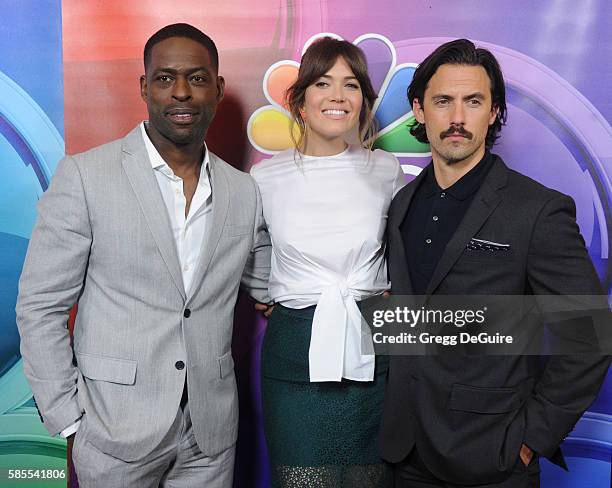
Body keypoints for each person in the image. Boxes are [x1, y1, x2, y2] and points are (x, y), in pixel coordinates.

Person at [16, 23, 270, 488]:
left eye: (196, 78)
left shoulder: (244, 190)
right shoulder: (86, 176)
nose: (181, 93)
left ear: (218, 88)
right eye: (164, 78)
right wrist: (69, 419)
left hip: (209, 436)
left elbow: (275, 281)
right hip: (113, 432)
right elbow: (40, 305)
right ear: (144, 87)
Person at [379, 38, 611, 487]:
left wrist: (531, 438)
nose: (458, 118)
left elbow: (589, 338)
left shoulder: (538, 210)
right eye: (443, 101)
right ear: (419, 110)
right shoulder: (402, 203)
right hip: (404, 452)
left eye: (474, 101)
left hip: (493, 457)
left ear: (495, 112)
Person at [250, 37, 405, 487]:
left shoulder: (385, 169)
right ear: (299, 101)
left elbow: (402, 244)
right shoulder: (264, 176)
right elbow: (246, 248)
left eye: (351, 84)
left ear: (363, 100)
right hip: (295, 349)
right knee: (303, 477)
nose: (338, 96)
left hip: (371, 348)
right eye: (323, 83)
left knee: (367, 478)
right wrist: (272, 291)